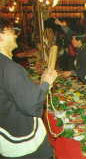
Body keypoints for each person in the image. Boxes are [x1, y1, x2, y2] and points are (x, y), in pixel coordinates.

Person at [0, 19, 58, 158]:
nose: (16, 34)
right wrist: (46, 83)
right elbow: (32, 105)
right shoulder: (9, 68)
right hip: (22, 140)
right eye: (11, 30)